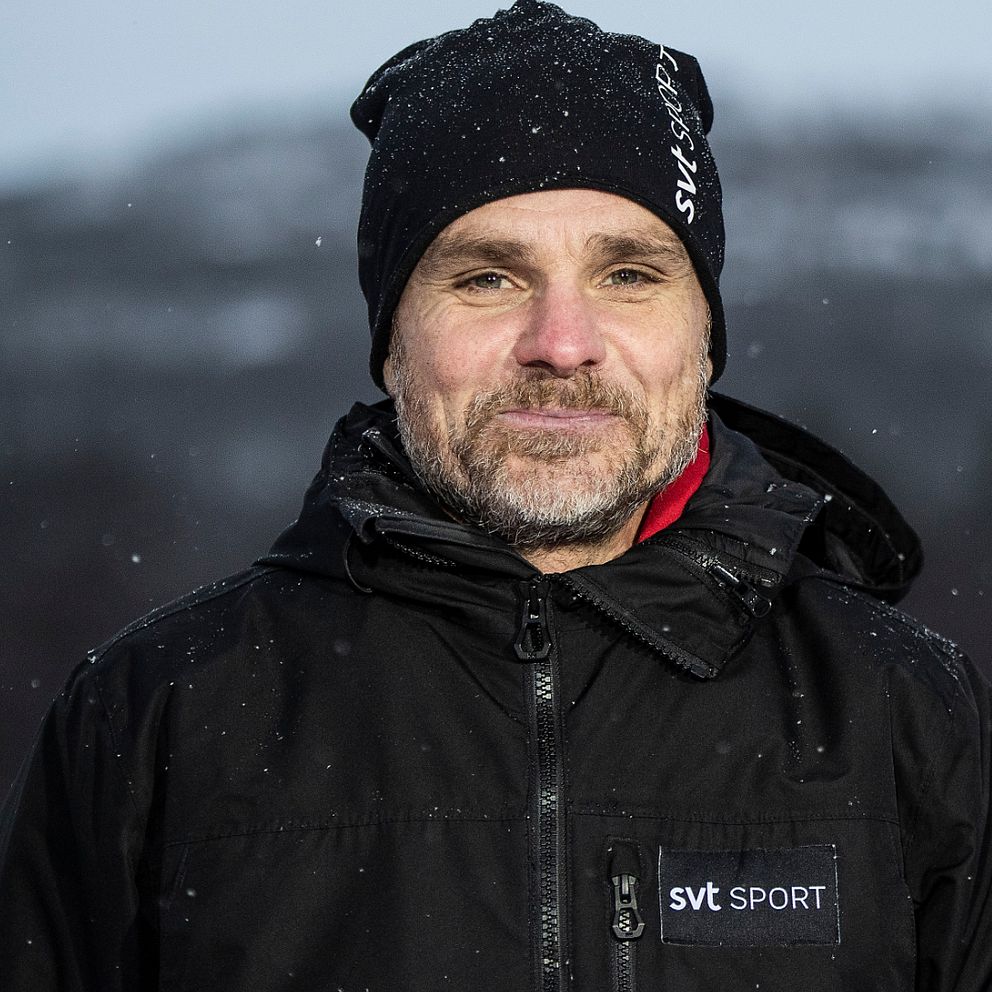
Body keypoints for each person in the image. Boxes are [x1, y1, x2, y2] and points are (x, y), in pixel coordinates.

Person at [1, 1, 989, 989]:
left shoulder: (908, 718)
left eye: (628, 273)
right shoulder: (153, 718)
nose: (561, 343)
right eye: (487, 278)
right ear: (392, 338)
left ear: (701, 333)